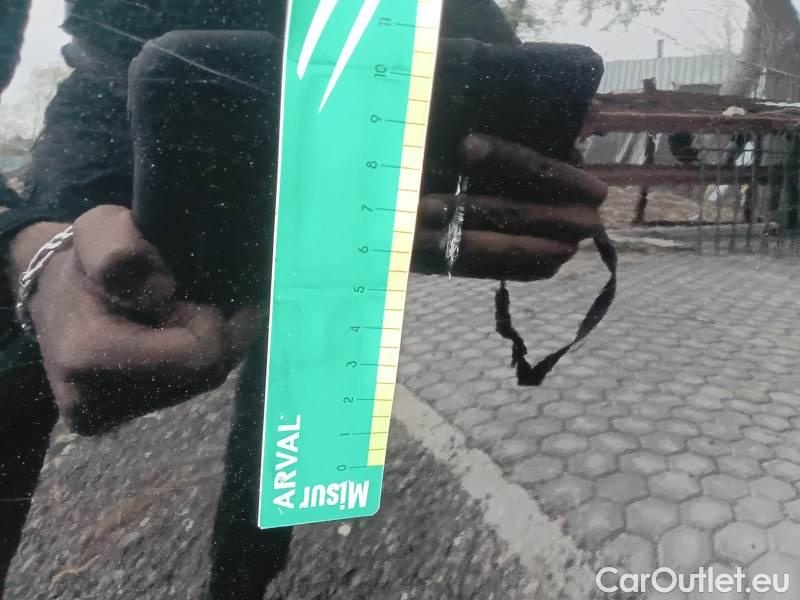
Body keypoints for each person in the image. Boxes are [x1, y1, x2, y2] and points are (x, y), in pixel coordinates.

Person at [0, 1, 607, 597]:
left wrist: (518, 131)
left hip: (355, 132)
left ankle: (242, 580)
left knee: (292, 409)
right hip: (122, 118)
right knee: (30, 366)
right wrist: (19, 236)